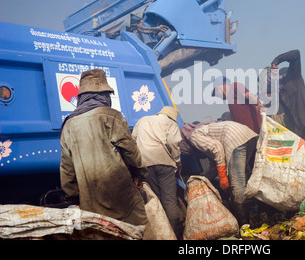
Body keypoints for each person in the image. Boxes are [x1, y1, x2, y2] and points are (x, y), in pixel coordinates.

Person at [59, 69, 148, 228]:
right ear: (103, 95)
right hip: (122, 198)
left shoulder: (68, 125)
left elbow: (67, 169)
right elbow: (131, 152)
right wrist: (139, 173)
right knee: (137, 230)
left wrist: (73, 198)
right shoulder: (112, 116)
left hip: (91, 205)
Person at [185, 120, 258, 225]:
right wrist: (204, 179)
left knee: (237, 182)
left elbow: (217, 148)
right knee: (245, 177)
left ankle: (244, 224)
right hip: (248, 134)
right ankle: (253, 216)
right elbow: (215, 165)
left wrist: (223, 177)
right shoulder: (206, 131)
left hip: (234, 138)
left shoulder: (193, 136)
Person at [132, 106, 183, 238]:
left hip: (145, 164)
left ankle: (161, 234)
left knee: (155, 200)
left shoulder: (142, 120)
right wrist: (177, 160)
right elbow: (173, 142)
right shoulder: (170, 122)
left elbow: (132, 139)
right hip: (164, 162)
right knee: (170, 201)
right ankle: (176, 235)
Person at [267, 49, 305, 155]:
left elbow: (296, 53)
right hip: (302, 131)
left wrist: (276, 60)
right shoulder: (282, 94)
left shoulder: (295, 79)